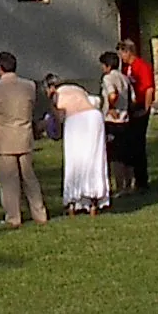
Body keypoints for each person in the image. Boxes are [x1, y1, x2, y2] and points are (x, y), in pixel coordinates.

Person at [0, 52, 47, 227]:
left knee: (8, 181)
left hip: (3, 140)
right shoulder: (29, 86)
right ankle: (40, 213)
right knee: (29, 178)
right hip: (23, 136)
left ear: (0, 68)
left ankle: (13, 216)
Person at [45, 75, 109, 216]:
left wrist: (51, 104)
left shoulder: (57, 94)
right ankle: (93, 200)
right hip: (94, 117)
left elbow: (60, 117)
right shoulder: (77, 89)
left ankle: (73, 201)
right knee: (93, 160)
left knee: (75, 160)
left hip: (76, 120)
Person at [118, 39, 155, 192]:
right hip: (130, 107)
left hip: (140, 105)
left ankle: (142, 181)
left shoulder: (142, 66)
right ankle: (130, 178)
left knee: (138, 143)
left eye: (122, 53)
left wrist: (146, 108)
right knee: (130, 143)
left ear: (128, 52)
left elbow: (148, 88)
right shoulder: (127, 68)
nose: (121, 56)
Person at [99, 51, 134, 196]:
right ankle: (129, 183)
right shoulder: (125, 78)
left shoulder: (108, 78)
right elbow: (133, 98)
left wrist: (112, 107)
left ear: (107, 66)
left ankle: (120, 186)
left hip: (112, 121)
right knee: (127, 153)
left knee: (115, 156)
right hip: (125, 119)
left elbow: (112, 94)